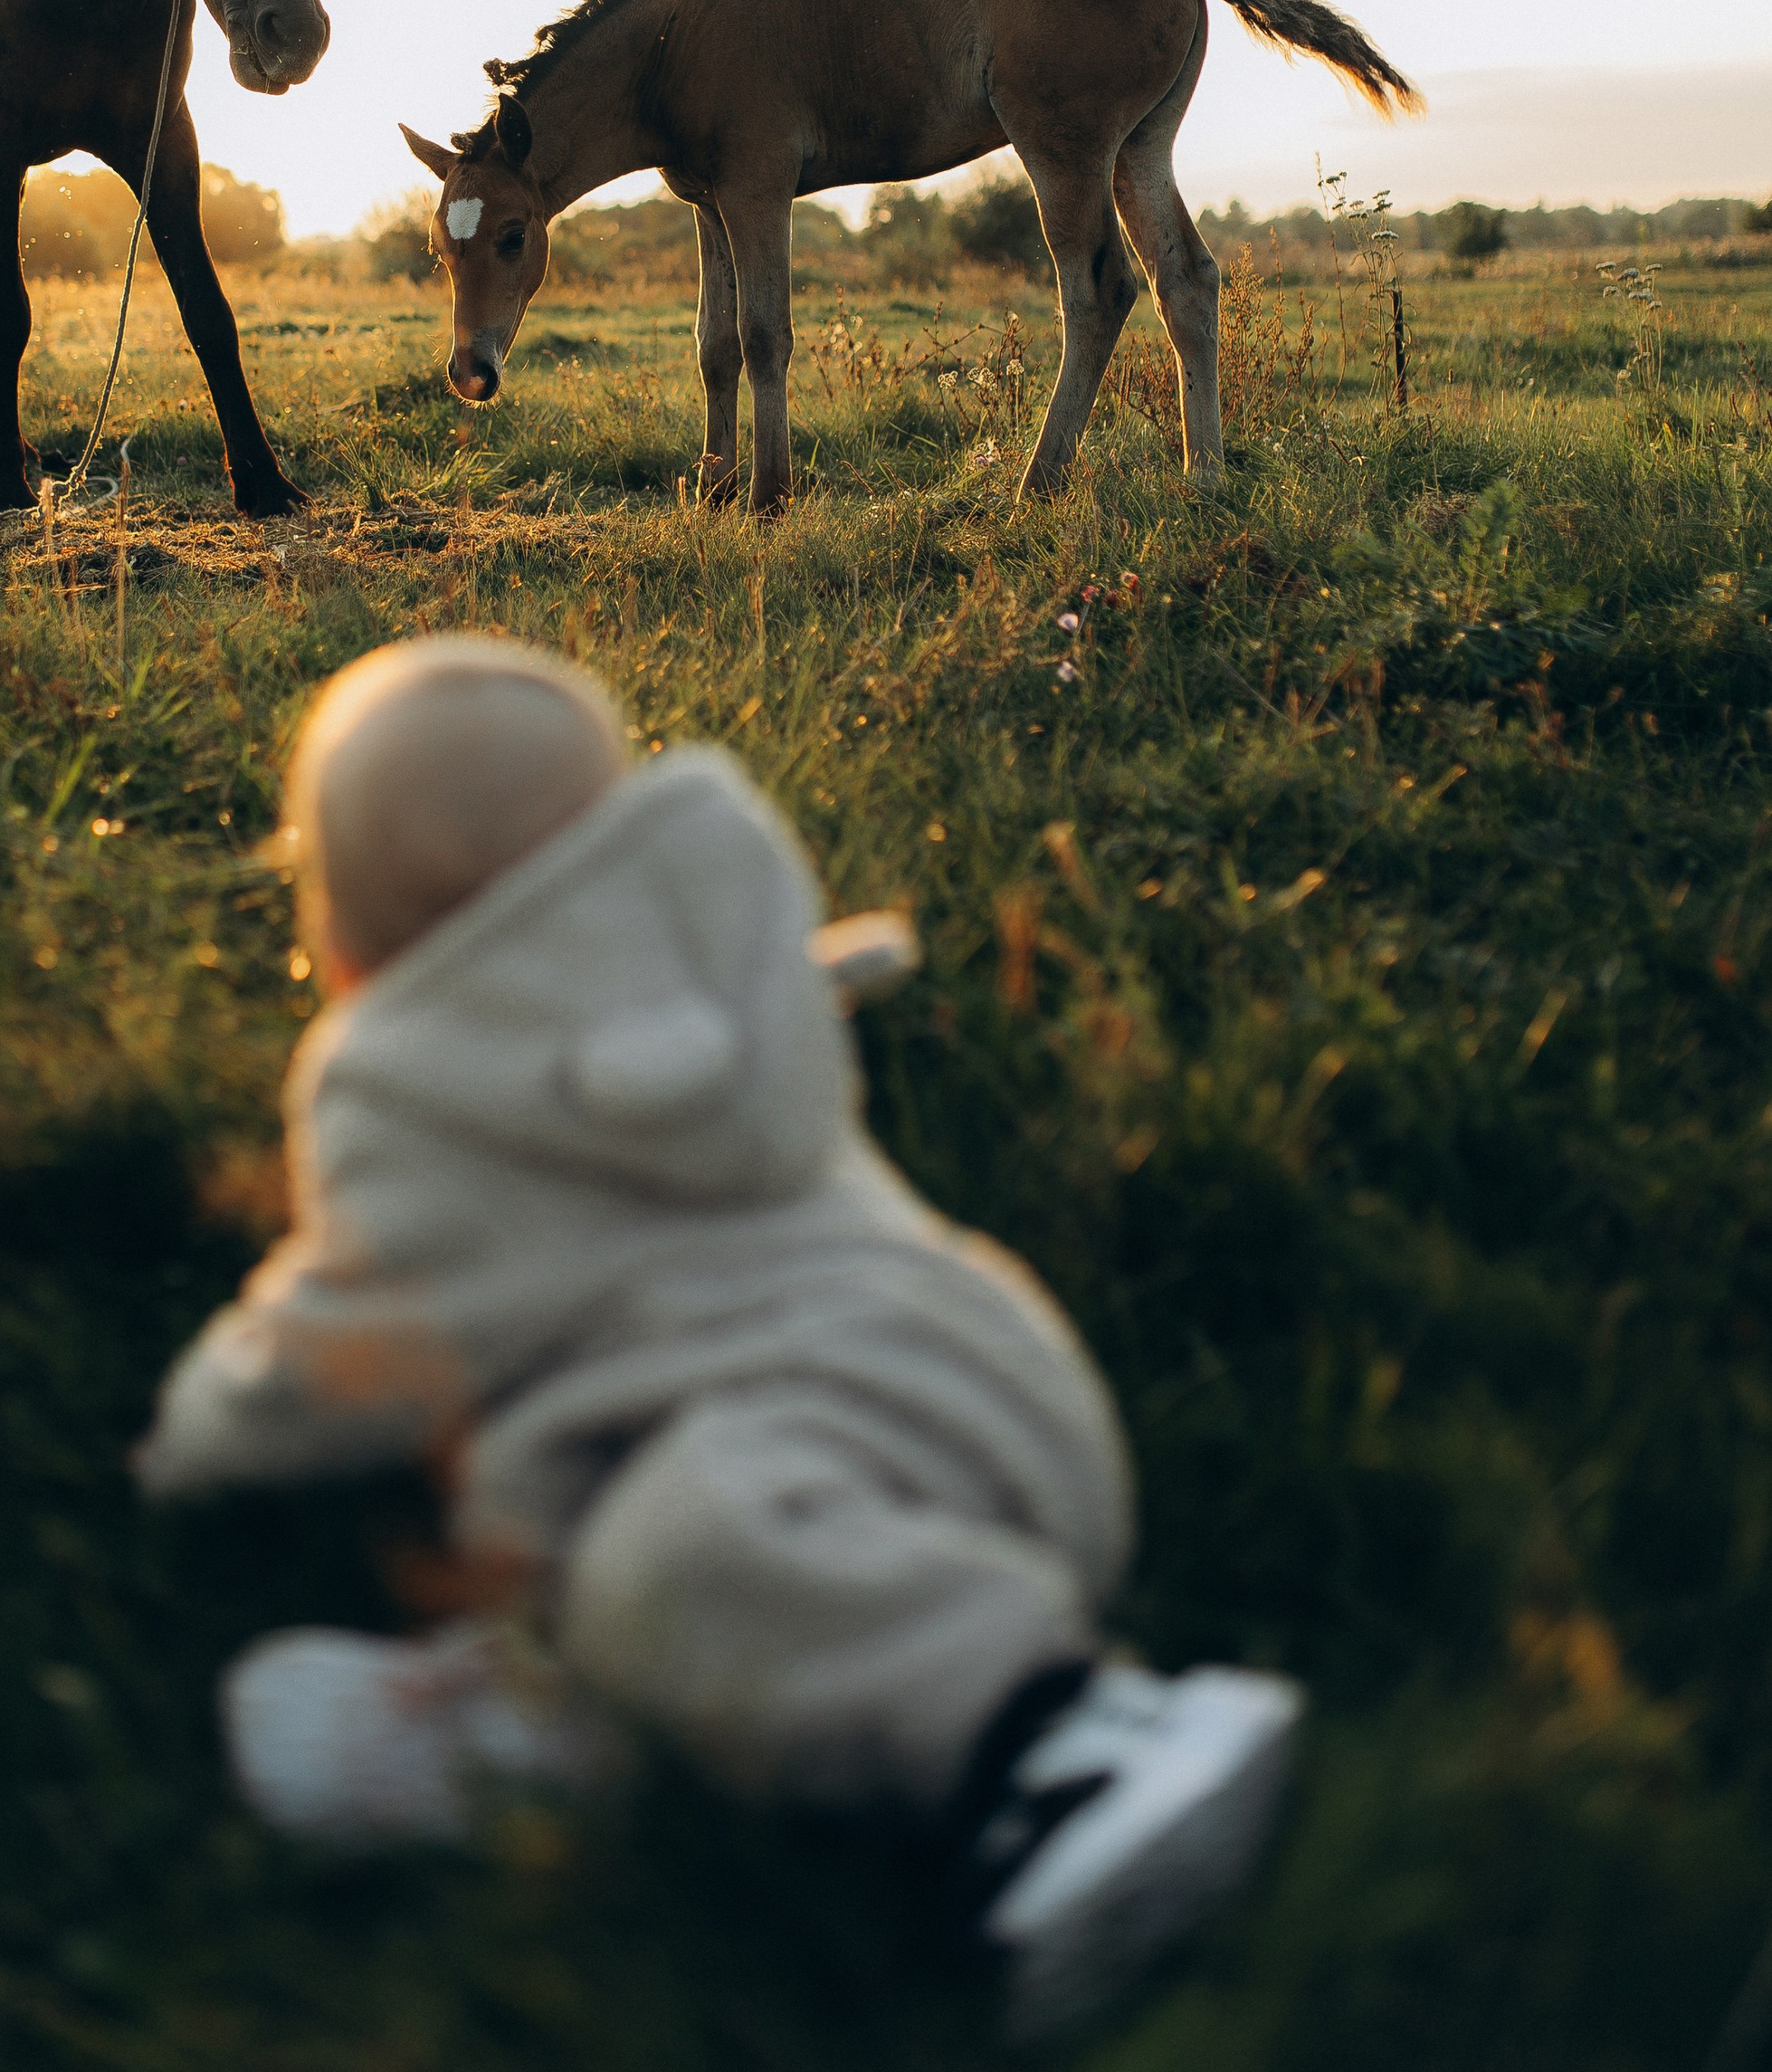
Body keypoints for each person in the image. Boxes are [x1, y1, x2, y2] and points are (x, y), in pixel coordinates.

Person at [134, 635, 1301, 2042]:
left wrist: (191, 1442)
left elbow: (335, 1343)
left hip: (835, 1440)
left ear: (346, 936)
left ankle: (1068, 1743)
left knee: (673, 1556)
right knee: (599, 1498)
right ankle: (566, 1720)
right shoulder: (713, 982)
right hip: (989, 1379)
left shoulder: (420, 1099)